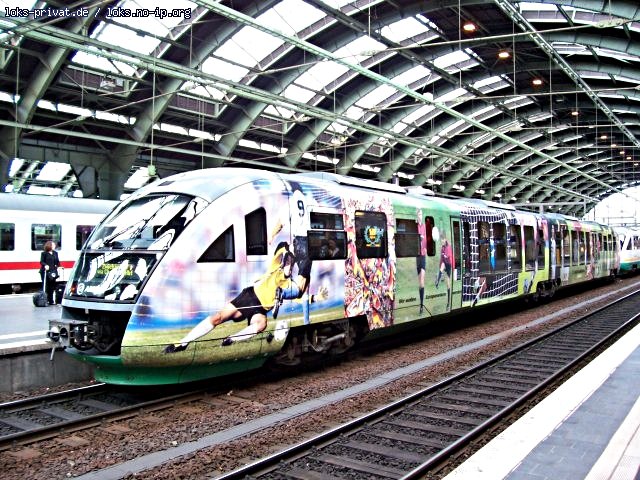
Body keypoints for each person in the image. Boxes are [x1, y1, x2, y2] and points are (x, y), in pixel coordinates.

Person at [164, 242, 326, 352]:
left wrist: (315, 298)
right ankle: (183, 342)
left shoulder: (288, 284)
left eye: (291, 264)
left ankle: (231, 339)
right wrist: (288, 250)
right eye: (289, 262)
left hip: (261, 309)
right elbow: (281, 247)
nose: (289, 266)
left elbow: (297, 297)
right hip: (249, 296)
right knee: (217, 318)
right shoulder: (276, 266)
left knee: (261, 324)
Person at [435, 233, 453, 309]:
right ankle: (437, 281)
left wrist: (445, 255)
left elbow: (447, 256)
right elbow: (442, 259)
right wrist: (440, 269)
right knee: (442, 266)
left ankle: (448, 303)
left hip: (449, 265)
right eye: (440, 240)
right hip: (444, 263)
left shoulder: (448, 247)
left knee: (448, 285)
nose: (441, 241)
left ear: (445, 239)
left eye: (442, 239)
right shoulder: (442, 248)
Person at [39, 240, 60, 305]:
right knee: (46, 286)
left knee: (52, 286)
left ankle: (51, 301)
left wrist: (58, 266)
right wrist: (45, 265)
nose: (54, 246)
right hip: (45, 272)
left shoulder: (55, 253)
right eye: (53, 245)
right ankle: (45, 300)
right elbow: (41, 261)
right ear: (49, 246)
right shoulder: (44, 253)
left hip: (53, 272)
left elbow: (57, 262)